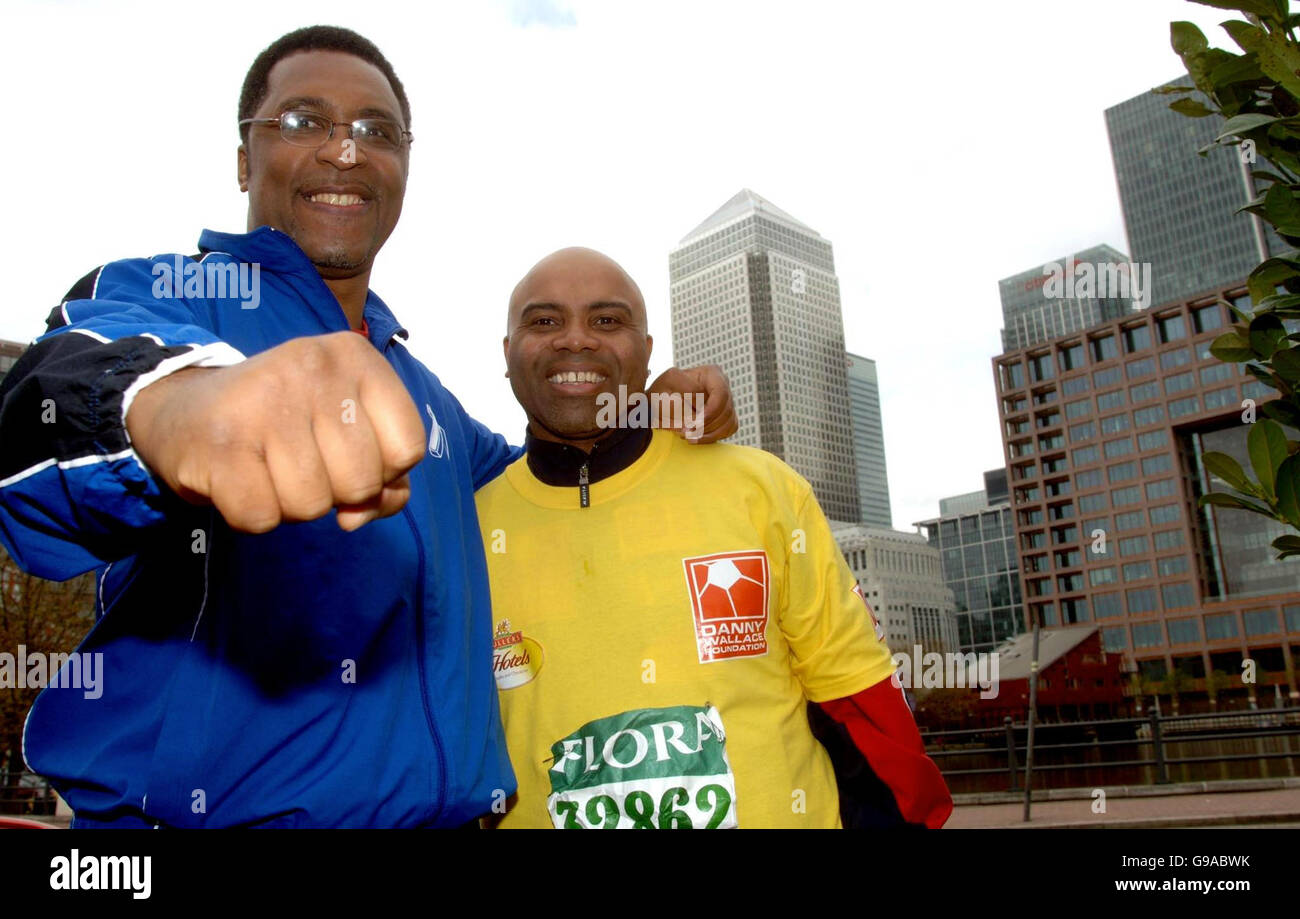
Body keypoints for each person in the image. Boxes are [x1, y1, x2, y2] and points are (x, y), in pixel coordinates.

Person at [0, 27, 733, 828]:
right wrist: (175, 407)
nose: (345, 150)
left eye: (377, 131)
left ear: (405, 170)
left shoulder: (425, 401)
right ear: (244, 159)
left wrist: (649, 404)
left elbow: (544, 474)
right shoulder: (169, 302)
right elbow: (45, 406)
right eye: (302, 121)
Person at [476, 247, 952, 828]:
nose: (576, 340)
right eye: (544, 321)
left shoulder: (762, 489)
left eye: (607, 320)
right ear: (507, 353)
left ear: (647, 353)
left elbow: (860, 706)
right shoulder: (467, 528)